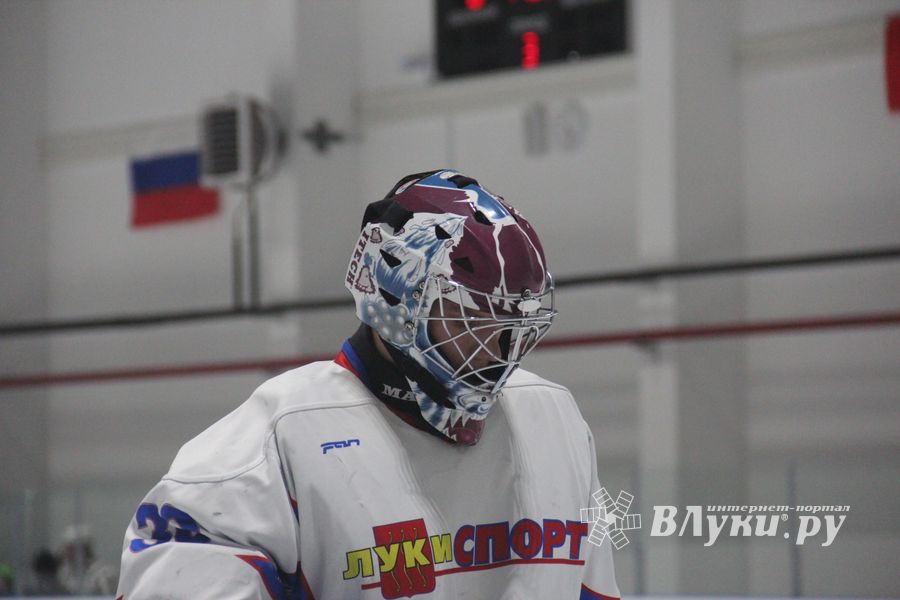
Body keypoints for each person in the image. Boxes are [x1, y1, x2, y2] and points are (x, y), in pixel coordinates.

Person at [116, 169, 619, 599]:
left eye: (512, 326)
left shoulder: (555, 421)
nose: (499, 354)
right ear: (396, 300)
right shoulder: (269, 450)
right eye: (473, 321)